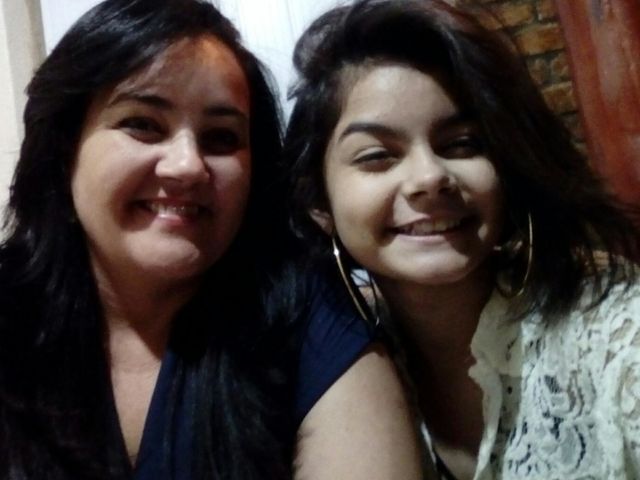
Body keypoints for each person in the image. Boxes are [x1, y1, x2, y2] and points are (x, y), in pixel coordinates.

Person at [0, 0, 423, 478]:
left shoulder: (307, 315)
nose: (187, 165)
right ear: (64, 150)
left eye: (221, 137)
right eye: (143, 124)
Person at [284, 0, 640, 478]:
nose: (430, 177)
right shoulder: (334, 359)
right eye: (377, 156)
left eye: (462, 144)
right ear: (318, 203)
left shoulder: (616, 334)